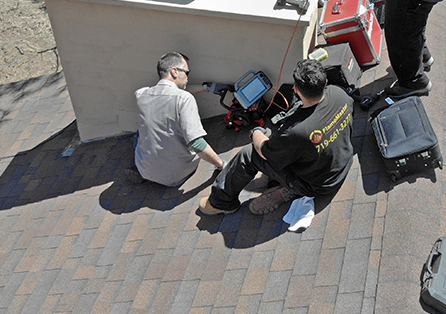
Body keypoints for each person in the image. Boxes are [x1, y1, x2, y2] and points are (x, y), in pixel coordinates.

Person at [198, 59, 354, 216]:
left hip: (317, 185)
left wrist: (256, 132)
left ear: (296, 89)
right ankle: (281, 182)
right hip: (342, 163)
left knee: (249, 154)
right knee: (285, 142)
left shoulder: (297, 132)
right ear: (325, 81)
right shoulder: (339, 93)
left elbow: (264, 151)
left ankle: (220, 202)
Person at [126, 51, 226, 186]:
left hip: (144, 170)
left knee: (142, 131)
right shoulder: (184, 99)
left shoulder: (141, 94)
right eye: (187, 73)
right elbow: (197, 143)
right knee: (190, 133)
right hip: (175, 175)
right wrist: (222, 165)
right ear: (174, 72)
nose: (188, 78)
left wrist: (206, 87)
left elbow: (171, 93)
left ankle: (142, 171)